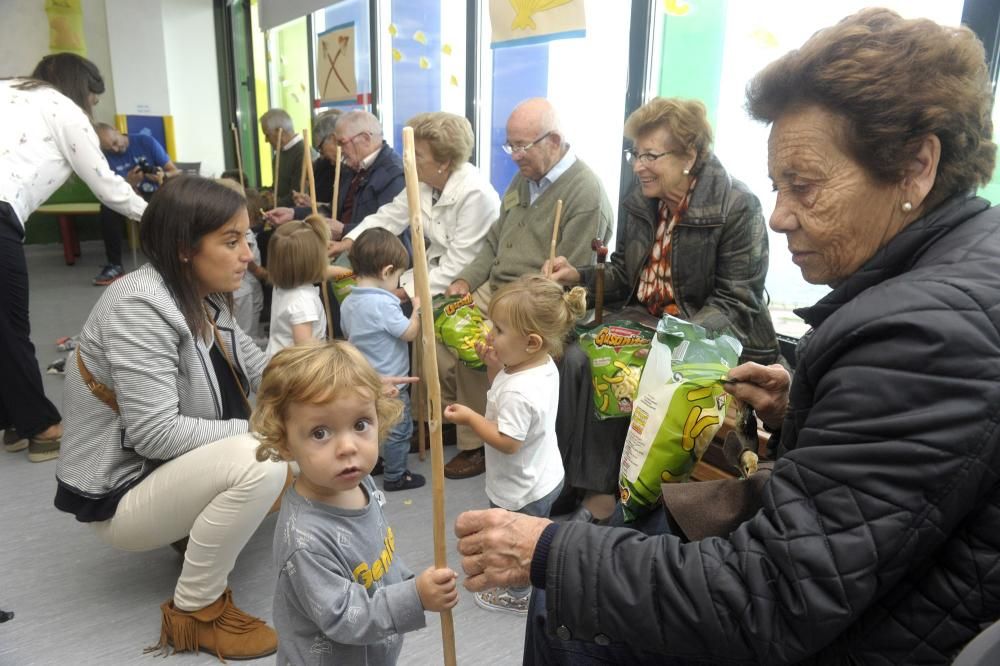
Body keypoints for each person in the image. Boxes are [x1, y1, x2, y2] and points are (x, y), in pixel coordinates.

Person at [454, 9, 1000, 663]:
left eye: (803, 186)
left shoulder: (922, 337)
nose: (780, 214)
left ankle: (581, 515)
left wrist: (546, 551)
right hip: (858, 588)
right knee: (586, 375)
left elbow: (770, 598)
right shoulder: (961, 272)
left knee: (564, 607)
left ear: (915, 168)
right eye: (777, 185)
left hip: (841, 627)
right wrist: (802, 406)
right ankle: (596, 497)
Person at [55, 177, 289, 660]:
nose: (248, 252)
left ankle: (189, 530)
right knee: (265, 459)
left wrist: (341, 381)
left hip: (157, 472)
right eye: (231, 240)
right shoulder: (139, 306)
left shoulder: (197, 292)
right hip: (121, 491)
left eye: (247, 236)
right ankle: (195, 611)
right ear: (185, 248)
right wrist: (276, 432)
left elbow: (263, 367)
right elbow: (156, 433)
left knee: (312, 439)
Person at [544, 97, 780, 522]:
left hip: (706, 332)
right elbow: (623, 275)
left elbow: (736, 303)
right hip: (647, 320)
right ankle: (581, 485)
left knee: (616, 366)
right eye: (636, 153)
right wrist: (574, 274)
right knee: (574, 353)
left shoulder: (737, 207)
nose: (638, 165)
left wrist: (672, 341)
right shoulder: (642, 201)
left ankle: (612, 500)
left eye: (651, 155)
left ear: (690, 155)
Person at [252, 341, 459, 665]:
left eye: (360, 424)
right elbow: (342, 617)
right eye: (320, 432)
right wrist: (414, 597)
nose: (348, 447)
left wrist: (409, 582)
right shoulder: (305, 541)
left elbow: (381, 556)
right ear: (284, 442)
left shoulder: (360, 482)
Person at [441, 97, 614, 479]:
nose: (515, 155)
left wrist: (504, 309)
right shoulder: (524, 179)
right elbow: (493, 242)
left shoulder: (586, 193)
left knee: (479, 339)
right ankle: (476, 428)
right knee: (443, 320)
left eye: (523, 145)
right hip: (499, 285)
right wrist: (466, 280)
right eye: (511, 145)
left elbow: (564, 284)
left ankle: (483, 442)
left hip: (534, 299)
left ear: (554, 140)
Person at [0, 53, 146, 463]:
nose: (92, 106)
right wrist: (161, 217)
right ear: (81, 86)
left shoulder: (9, 90)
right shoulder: (62, 108)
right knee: (11, 327)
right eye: (93, 97)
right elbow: (107, 185)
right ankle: (43, 428)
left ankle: (13, 418)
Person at [444, 275, 585, 614]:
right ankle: (542, 564)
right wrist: (495, 367)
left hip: (522, 487)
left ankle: (519, 594)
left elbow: (508, 441)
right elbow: (505, 395)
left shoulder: (520, 391)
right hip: (544, 475)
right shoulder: (539, 365)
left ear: (532, 342)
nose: (490, 334)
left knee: (519, 541)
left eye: (500, 330)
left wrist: (470, 419)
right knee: (537, 529)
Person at [328, 111, 501, 298]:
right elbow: (389, 217)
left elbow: (460, 264)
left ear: (444, 162)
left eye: (417, 155)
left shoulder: (476, 194)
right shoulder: (424, 182)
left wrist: (400, 294)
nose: (407, 160)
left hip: (465, 285)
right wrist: (346, 243)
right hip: (431, 274)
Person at [341, 228, 424, 492]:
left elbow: (348, 335)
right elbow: (408, 333)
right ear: (386, 271)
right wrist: (417, 311)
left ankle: (374, 462)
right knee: (398, 430)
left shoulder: (348, 302)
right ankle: (396, 475)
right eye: (398, 277)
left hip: (364, 380)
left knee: (370, 425)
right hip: (393, 383)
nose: (398, 284)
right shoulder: (384, 304)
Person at [93, 122, 180, 285]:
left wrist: (162, 175)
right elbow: (109, 189)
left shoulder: (145, 142)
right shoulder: (103, 158)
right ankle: (115, 265)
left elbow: (175, 171)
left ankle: (171, 262)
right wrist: (129, 182)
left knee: (169, 207)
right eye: (110, 149)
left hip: (155, 194)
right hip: (126, 197)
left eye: (115, 143)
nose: (116, 149)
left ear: (117, 131)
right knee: (107, 209)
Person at [265, 216, 339, 359]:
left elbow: (322, 273)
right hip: (294, 374)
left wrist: (347, 273)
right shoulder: (303, 302)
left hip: (278, 362)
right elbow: (306, 354)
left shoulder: (283, 284)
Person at [259, 108, 307, 208]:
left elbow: (297, 196)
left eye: (267, 135)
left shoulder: (303, 154)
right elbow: (278, 189)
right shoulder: (279, 154)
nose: (266, 140)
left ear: (279, 131)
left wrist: (271, 203)